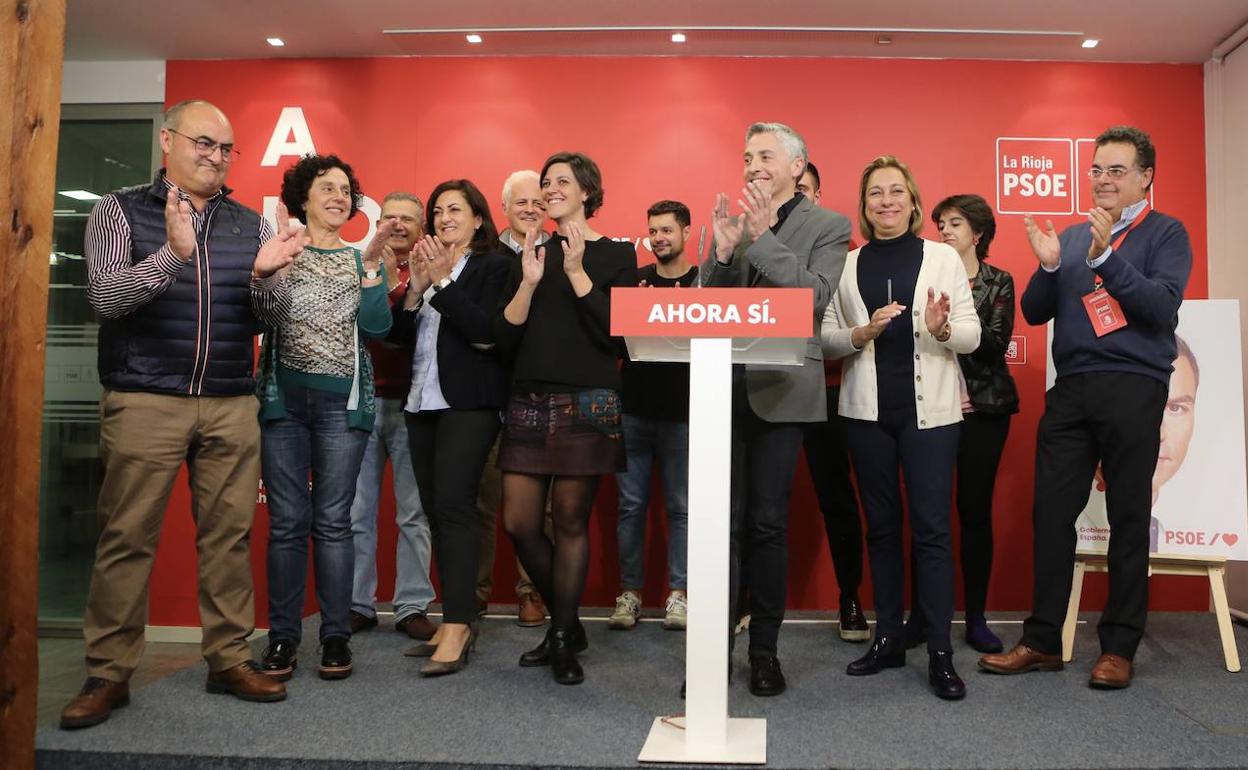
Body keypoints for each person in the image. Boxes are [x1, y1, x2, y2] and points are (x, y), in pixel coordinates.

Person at [63, 99, 299, 729]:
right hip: (145, 397)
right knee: (126, 537)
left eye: (225, 148)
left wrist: (268, 280)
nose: (215, 157)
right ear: (167, 140)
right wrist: (172, 253)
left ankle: (227, 659)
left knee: (227, 537)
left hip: (228, 400)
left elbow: (265, 322)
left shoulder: (249, 224)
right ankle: (108, 673)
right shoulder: (119, 208)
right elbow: (107, 298)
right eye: (203, 143)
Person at [980, 125, 1192, 690]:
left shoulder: (1167, 233)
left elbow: (1161, 308)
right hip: (1072, 386)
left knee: (1126, 519)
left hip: (1134, 386)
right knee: (1050, 515)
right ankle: (1043, 639)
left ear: (1146, 177)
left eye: (1116, 170)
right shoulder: (1071, 236)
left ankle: (1119, 646)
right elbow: (1032, 311)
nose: (1102, 179)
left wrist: (1107, 260)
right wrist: (1051, 265)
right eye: (1097, 169)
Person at [821, 155, 980, 701]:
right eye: (874, 194)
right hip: (866, 417)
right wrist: (860, 333)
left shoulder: (943, 257)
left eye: (895, 192)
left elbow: (973, 335)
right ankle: (888, 637)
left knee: (932, 534)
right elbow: (823, 337)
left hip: (931, 417)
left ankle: (939, 650)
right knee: (882, 531)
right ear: (864, 207)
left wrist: (941, 329)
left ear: (913, 201)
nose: (885, 201)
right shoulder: (846, 265)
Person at [700, 122, 851, 697]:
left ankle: (764, 650)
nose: (753, 164)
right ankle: (713, 650)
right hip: (721, 390)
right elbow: (702, 306)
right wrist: (719, 252)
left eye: (765, 155)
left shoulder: (830, 225)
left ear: (796, 166)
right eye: (746, 155)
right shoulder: (729, 221)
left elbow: (813, 298)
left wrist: (761, 238)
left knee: (765, 524)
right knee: (721, 527)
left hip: (784, 396)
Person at [495, 151, 639, 685]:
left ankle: (560, 635)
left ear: (586, 191)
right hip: (528, 399)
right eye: (546, 181)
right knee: (519, 522)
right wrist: (530, 281)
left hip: (590, 398)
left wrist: (577, 272)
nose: (551, 189)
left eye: (561, 181)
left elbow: (617, 335)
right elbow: (504, 339)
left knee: (572, 518)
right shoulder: (529, 252)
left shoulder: (618, 254)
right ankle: (568, 620)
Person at [257, 154, 393, 683]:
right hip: (283, 405)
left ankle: (334, 633)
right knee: (287, 524)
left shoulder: (361, 259)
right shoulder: (280, 249)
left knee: (333, 523)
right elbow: (262, 312)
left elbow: (379, 327)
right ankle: (282, 638)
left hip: (342, 407)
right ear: (303, 198)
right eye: (327, 188)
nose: (339, 196)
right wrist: (272, 272)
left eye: (346, 190)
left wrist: (375, 269)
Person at [392, 179, 512, 676]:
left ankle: (461, 624)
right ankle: (450, 618)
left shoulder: (495, 266)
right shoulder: (424, 264)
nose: (444, 219)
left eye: (455, 210)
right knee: (437, 512)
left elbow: (486, 332)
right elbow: (399, 339)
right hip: (422, 401)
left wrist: (443, 285)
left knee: (458, 508)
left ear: (479, 218)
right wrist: (417, 290)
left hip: (469, 404)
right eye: (438, 211)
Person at [902, 194, 1019, 655]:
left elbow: (993, 344)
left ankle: (974, 618)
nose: (945, 230)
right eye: (940, 223)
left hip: (982, 412)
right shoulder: (924, 276)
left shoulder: (998, 281)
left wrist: (949, 326)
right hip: (929, 407)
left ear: (979, 233)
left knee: (973, 514)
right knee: (926, 517)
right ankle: (921, 617)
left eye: (955, 223)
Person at [348, 192, 437, 642]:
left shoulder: (433, 270)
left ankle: (412, 605)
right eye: (390, 218)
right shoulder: (357, 265)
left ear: (423, 227)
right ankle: (357, 604)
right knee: (357, 511)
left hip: (413, 404)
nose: (398, 225)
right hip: (362, 401)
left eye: (408, 218)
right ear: (377, 222)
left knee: (413, 513)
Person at [609, 200, 697, 632]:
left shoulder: (703, 284)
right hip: (634, 412)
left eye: (667, 230)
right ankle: (630, 594)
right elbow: (617, 349)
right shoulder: (635, 281)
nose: (660, 238)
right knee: (630, 507)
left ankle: (679, 595)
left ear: (686, 233)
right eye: (653, 231)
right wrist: (638, 316)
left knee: (681, 508)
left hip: (683, 414)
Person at [796, 161, 870, 643]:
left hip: (835, 391)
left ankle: (850, 598)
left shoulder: (851, 253)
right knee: (757, 504)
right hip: (774, 390)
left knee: (840, 502)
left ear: (818, 194)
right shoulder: (758, 249)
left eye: (803, 190)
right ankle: (741, 603)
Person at [477, 169, 552, 627]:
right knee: (482, 503)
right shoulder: (482, 257)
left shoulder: (563, 255)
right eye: (521, 202)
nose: (530, 210)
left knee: (538, 511)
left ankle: (532, 592)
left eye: (537, 203)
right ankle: (475, 595)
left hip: (538, 397)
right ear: (503, 208)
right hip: (486, 396)